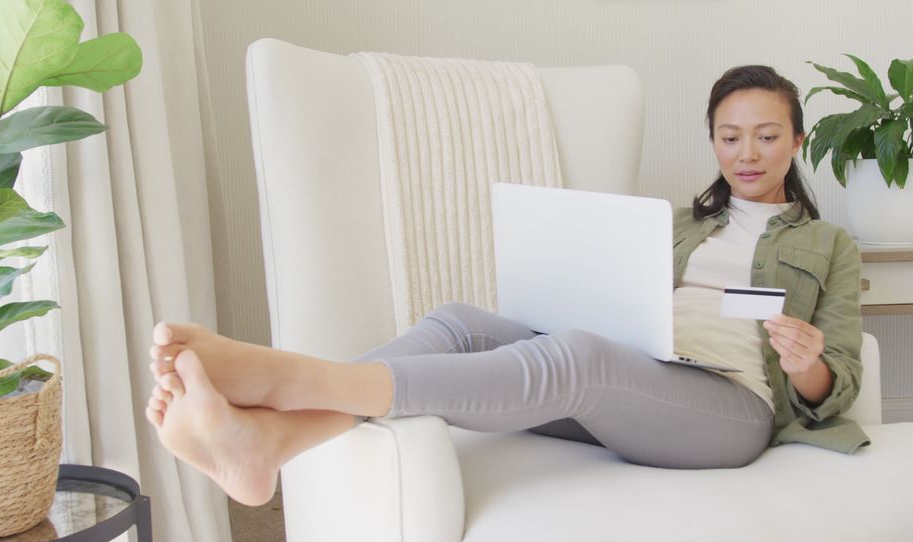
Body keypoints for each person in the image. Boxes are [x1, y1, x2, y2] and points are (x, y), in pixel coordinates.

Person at [145, 65, 866, 507]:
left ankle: (288, 379)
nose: (747, 153)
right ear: (713, 138)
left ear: (797, 141)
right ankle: (268, 443)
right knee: (460, 322)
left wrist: (807, 365)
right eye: (730, 135)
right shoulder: (674, 224)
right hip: (642, 374)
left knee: (580, 357)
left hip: (730, 410)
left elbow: (839, 382)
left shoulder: (828, 243)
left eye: (767, 136)